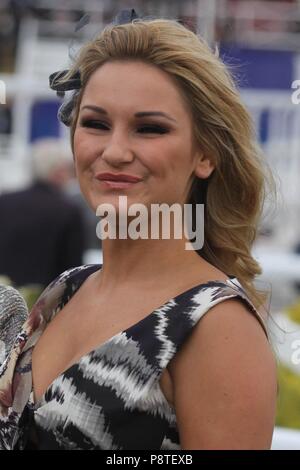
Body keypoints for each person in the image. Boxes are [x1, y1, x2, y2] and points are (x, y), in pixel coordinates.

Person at [0, 9, 277, 450]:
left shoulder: (216, 326)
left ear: (205, 155)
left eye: (149, 128)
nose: (114, 151)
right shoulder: (64, 292)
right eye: (95, 124)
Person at [0, 138, 85, 287]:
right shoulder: (67, 210)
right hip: (44, 302)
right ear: (58, 171)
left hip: (4, 297)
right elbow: (73, 270)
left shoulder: (4, 201)